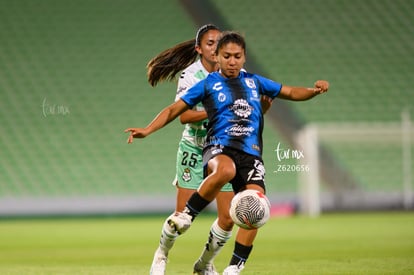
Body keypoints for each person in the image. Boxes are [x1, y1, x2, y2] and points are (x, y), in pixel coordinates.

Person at [125, 31, 329, 274]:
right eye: (226, 56)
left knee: (255, 207)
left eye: (237, 56)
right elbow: (175, 110)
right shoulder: (208, 83)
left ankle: (232, 267)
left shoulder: (254, 82)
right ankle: (184, 220)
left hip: (250, 153)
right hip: (218, 147)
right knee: (225, 169)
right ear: (217, 58)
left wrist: (313, 91)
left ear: (244, 58)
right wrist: (147, 130)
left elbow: (290, 92)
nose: (232, 61)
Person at [144, 24, 262, 275]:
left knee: (228, 218)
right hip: (195, 148)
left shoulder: (237, 74)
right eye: (210, 43)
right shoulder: (191, 75)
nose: (215, 48)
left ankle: (205, 264)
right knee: (182, 217)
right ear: (199, 49)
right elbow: (183, 116)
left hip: (226, 151)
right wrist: (216, 110)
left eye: (218, 43)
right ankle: (161, 255)